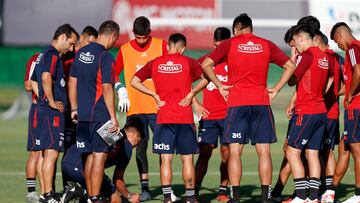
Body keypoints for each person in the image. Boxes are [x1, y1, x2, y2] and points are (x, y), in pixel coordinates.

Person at [199, 13, 295, 203]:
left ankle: (234, 197)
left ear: (236, 29)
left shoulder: (230, 44)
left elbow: (206, 64)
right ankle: (266, 197)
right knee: (264, 152)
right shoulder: (265, 44)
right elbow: (290, 65)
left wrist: (219, 85)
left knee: (235, 151)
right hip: (261, 102)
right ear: (251, 28)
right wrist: (275, 89)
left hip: (237, 103)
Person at [131, 33, 203, 203]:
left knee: (166, 159)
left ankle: (167, 199)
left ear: (169, 46)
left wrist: (154, 95)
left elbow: (134, 81)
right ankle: (191, 198)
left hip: (163, 117)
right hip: (184, 117)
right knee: (187, 159)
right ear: (183, 48)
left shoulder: (155, 63)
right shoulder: (188, 62)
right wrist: (193, 93)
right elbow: (206, 77)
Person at [114, 16, 168, 201]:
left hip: (158, 107)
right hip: (135, 109)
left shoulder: (161, 45)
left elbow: (171, 67)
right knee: (139, 149)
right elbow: (113, 72)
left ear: (149, 33)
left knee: (164, 148)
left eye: (144, 37)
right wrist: (120, 88)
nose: (141, 41)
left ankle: (166, 189)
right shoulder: (125, 49)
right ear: (133, 33)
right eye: (138, 37)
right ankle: (145, 188)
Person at [68, 20, 120, 203]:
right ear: (113, 36)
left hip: (81, 116)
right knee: (100, 156)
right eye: (115, 39)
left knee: (88, 156)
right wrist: (114, 118)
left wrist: (74, 108)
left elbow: (72, 82)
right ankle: (95, 197)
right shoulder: (105, 57)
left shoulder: (81, 52)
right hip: (101, 116)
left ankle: (91, 197)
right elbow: (107, 88)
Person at [32, 23, 77, 203]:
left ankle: (45, 194)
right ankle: (49, 194)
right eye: (71, 43)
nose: (71, 48)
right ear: (63, 37)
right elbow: (44, 78)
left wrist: (41, 99)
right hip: (51, 114)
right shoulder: (52, 55)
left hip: (44, 111)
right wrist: (50, 101)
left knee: (45, 154)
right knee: (52, 153)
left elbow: (33, 81)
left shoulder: (43, 54)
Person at [285, 24, 329, 203]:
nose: (295, 47)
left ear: (302, 39)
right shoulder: (323, 56)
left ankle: (301, 197)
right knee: (312, 153)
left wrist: (292, 61)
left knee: (292, 151)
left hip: (307, 110)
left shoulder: (307, 55)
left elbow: (293, 79)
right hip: (321, 110)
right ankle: (313, 197)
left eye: (295, 43)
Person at [61, 116, 145, 203]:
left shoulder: (112, 131)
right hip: (82, 167)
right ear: (134, 134)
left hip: (66, 162)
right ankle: (80, 192)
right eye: (138, 141)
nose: (136, 145)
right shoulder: (126, 145)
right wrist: (129, 195)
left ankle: (83, 193)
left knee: (97, 196)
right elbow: (118, 180)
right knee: (115, 199)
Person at [323, 22, 360, 203]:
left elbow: (358, 73)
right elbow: (352, 80)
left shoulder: (353, 49)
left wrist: (351, 95)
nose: (338, 45)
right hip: (355, 106)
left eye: (337, 42)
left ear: (340, 36)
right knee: (344, 147)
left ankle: (359, 194)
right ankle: (330, 191)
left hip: (356, 108)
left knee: (356, 150)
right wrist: (333, 94)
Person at [193, 27, 231, 202]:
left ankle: (223, 190)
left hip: (229, 117)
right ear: (213, 43)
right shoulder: (205, 61)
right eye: (218, 46)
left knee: (227, 153)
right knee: (204, 153)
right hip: (209, 117)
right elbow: (185, 78)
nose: (220, 50)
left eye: (224, 46)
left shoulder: (236, 60)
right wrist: (196, 103)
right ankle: (194, 191)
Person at [61, 26, 98, 189]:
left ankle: (85, 189)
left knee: (86, 152)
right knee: (68, 152)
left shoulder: (91, 58)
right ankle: (67, 188)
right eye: (90, 42)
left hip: (86, 113)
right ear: (82, 38)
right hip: (70, 112)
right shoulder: (67, 58)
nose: (92, 47)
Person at [24, 53, 42, 203]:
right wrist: (47, 98)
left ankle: (47, 191)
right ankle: (31, 193)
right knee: (35, 152)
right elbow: (28, 84)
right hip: (39, 109)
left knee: (47, 152)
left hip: (52, 111)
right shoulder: (37, 58)